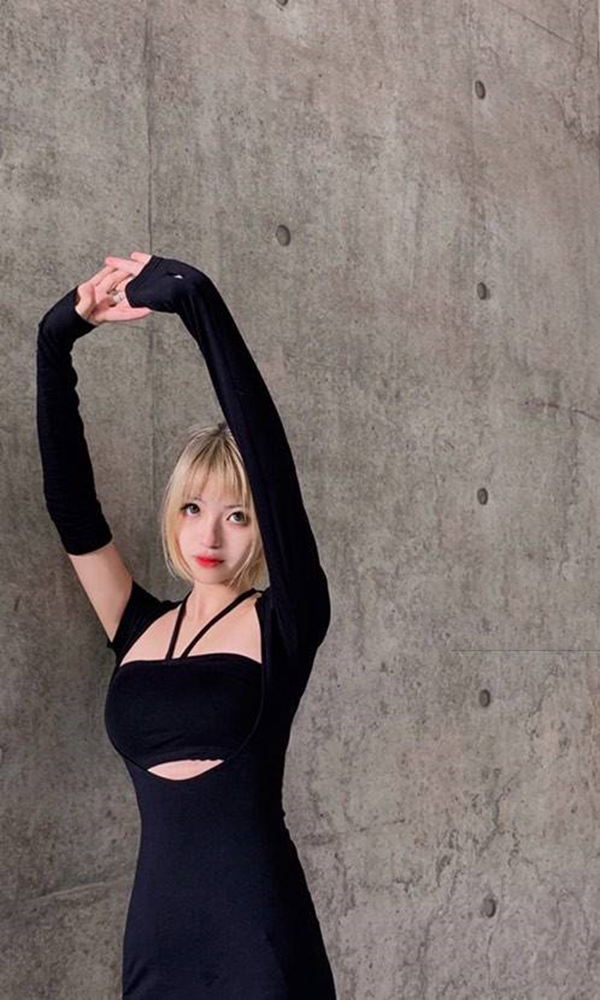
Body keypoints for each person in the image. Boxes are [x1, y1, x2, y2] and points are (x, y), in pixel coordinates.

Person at [36, 251, 336, 998]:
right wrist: (54, 340)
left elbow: (272, 467)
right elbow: (72, 509)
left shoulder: (286, 621)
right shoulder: (135, 624)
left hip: (259, 940)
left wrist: (198, 302)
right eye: (195, 508)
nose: (210, 534)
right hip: (157, 939)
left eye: (238, 515)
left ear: (261, 529)